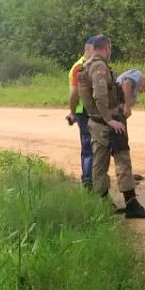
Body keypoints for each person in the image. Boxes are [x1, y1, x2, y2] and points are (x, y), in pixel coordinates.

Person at [79, 35, 145, 219]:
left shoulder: (86, 66)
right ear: (107, 47)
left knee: (100, 163)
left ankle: (103, 202)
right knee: (122, 160)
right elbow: (99, 95)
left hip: (95, 123)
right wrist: (109, 119)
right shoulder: (99, 67)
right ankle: (131, 204)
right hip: (108, 123)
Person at [66, 40, 95, 188]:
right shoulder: (79, 67)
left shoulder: (89, 65)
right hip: (83, 112)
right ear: (88, 49)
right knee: (88, 147)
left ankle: (91, 178)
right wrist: (72, 113)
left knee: (91, 146)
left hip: (87, 111)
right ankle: (88, 180)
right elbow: (74, 94)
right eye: (94, 50)